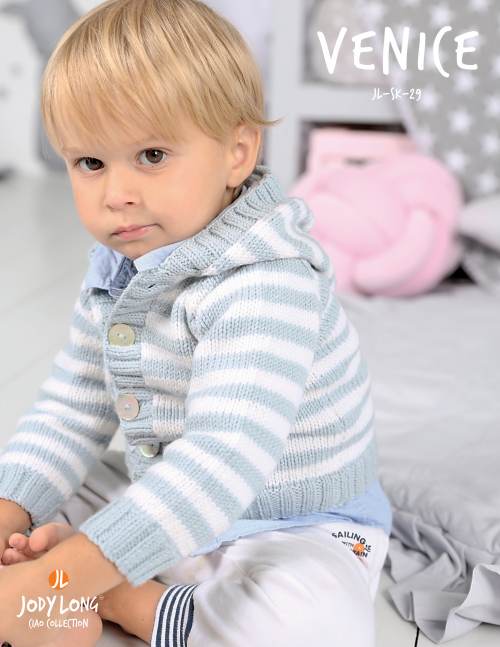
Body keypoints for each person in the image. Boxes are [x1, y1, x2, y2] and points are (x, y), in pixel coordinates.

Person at [0, 1, 392, 645]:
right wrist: (10, 515)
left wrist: (53, 579)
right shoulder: (118, 268)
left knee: (313, 626)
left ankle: (114, 596)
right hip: (164, 493)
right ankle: (65, 581)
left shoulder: (269, 280)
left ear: (237, 152)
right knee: (36, 488)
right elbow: (70, 410)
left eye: (152, 154)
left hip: (288, 524)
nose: (116, 194)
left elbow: (221, 461)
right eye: (90, 163)